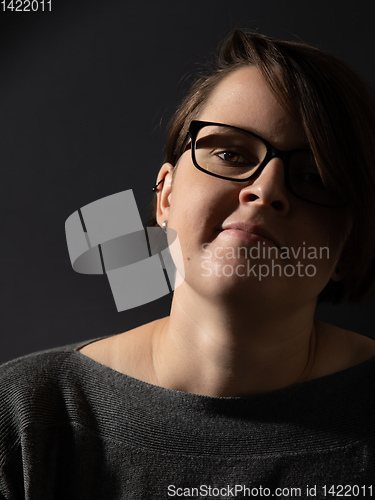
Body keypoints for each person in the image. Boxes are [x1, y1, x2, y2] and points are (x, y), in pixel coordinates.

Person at [1, 29, 375, 499]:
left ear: (349, 244)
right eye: (230, 153)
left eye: (313, 177)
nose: (265, 190)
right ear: (166, 196)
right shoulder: (23, 415)